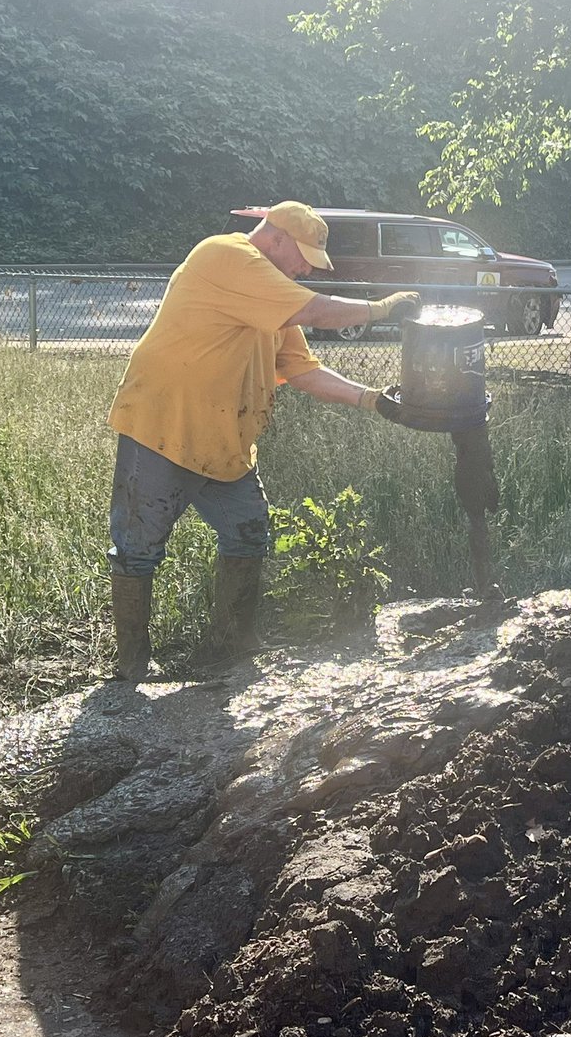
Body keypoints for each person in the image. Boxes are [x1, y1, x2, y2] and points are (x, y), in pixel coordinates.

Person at [106, 200, 419, 680]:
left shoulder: (274, 298)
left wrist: (372, 399)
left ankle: (231, 645)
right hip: (162, 428)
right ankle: (132, 667)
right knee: (138, 548)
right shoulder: (224, 256)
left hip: (224, 442)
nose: (304, 270)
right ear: (275, 238)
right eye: (302, 259)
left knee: (248, 532)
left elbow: (300, 369)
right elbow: (317, 310)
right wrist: (380, 308)